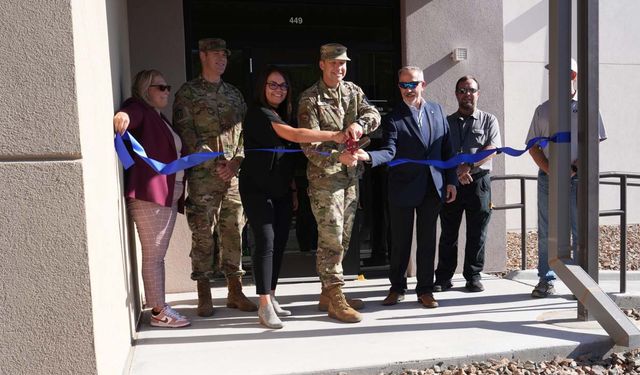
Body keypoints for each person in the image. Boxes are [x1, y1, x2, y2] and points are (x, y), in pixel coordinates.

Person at [240, 65, 348, 329]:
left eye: (283, 86)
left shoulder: (283, 112)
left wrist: (292, 189)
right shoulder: (259, 112)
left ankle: (272, 295)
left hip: (281, 190)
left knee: (277, 244)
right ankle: (264, 304)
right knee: (265, 241)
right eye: (272, 84)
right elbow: (294, 135)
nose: (278, 90)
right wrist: (335, 135)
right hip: (257, 189)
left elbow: (284, 157)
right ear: (262, 88)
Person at [353, 66, 457, 308]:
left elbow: (447, 151)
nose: (408, 89)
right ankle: (397, 287)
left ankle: (425, 290)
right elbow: (389, 150)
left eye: (412, 84)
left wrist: (451, 180)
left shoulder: (438, 111)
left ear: (423, 84)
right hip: (402, 188)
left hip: (433, 187)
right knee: (400, 242)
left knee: (427, 241)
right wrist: (369, 157)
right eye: (403, 85)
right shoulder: (393, 118)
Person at [173, 38, 256, 316]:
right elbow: (185, 133)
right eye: (217, 54)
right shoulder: (188, 93)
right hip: (203, 178)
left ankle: (235, 291)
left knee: (234, 231)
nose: (222, 59)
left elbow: (245, 134)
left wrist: (235, 163)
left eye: (225, 55)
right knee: (203, 234)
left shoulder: (234, 94)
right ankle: (204, 293)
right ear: (204, 56)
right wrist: (215, 161)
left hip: (232, 178)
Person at [298, 43, 381, 323]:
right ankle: (336, 298)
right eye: (333, 63)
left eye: (343, 63)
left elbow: (374, 114)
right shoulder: (309, 99)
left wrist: (360, 124)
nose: (339, 68)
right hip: (325, 182)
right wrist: (338, 156)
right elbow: (307, 144)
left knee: (344, 238)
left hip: (350, 180)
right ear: (321, 64)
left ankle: (327, 293)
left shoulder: (353, 91)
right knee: (331, 238)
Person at [113, 69, 190, 328]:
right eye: (161, 87)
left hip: (167, 194)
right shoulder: (139, 108)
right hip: (151, 196)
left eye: (167, 87)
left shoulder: (159, 118)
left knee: (158, 254)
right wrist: (123, 116)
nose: (166, 91)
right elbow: (129, 114)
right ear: (146, 90)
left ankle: (161, 304)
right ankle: (158, 312)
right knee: (154, 255)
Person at [526, 58, 607, 298]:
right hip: (548, 181)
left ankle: (583, 284)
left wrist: (572, 170)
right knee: (547, 231)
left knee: (579, 230)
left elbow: (592, 144)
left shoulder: (587, 108)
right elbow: (533, 146)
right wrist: (553, 171)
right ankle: (546, 279)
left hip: (577, 180)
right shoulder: (543, 110)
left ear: (572, 76)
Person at [434, 76, 501, 293]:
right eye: (462, 90)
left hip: (479, 182)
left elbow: (492, 148)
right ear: (456, 94)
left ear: (478, 93)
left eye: (471, 90)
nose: (467, 94)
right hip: (452, 183)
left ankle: (473, 276)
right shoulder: (446, 122)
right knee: (448, 233)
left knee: (477, 232)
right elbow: (442, 151)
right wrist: (457, 171)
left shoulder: (489, 120)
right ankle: (443, 277)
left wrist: (468, 167)